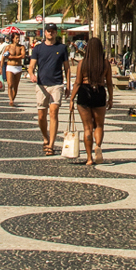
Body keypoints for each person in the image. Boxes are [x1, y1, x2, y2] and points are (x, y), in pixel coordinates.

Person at [73, 35, 113, 166]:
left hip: (84, 91)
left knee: (87, 128)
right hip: (99, 92)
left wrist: (72, 98)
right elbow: (109, 83)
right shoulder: (105, 63)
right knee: (99, 125)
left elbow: (78, 83)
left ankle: (89, 157)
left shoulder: (82, 63)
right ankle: (98, 146)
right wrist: (110, 99)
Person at [31, 28, 70, 154]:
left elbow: (67, 68)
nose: (50, 33)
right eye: (48, 31)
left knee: (54, 113)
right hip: (42, 85)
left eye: (53, 31)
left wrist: (68, 85)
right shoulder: (38, 48)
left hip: (57, 84)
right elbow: (32, 65)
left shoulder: (62, 48)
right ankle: (45, 137)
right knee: (41, 116)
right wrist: (31, 74)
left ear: (56, 33)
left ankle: (51, 145)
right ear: (45, 33)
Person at [1, 32, 29, 105]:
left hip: (18, 67)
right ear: (13, 39)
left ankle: (13, 98)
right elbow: (4, 57)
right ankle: (11, 100)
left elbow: (23, 56)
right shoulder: (9, 47)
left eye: (18, 38)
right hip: (10, 67)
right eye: (16, 38)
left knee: (16, 85)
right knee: (10, 84)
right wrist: (1, 68)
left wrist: (12, 57)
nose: (18, 39)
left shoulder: (21, 47)